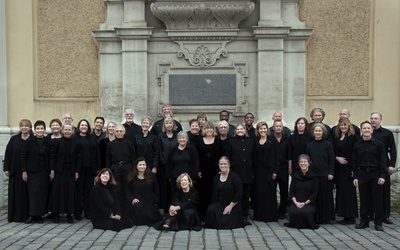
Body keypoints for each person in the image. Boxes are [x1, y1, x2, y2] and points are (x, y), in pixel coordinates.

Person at [353, 121, 387, 231]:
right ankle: (364, 221)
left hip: (375, 173)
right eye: (364, 128)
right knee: (364, 199)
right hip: (362, 174)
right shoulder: (357, 145)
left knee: (377, 200)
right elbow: (354, 162)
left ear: (372, 130)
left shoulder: (379, 144)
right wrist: (355, 177)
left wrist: (382, 175)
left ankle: (378, 223)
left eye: (368, 128)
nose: (367, 130)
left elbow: (383, 160)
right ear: (361, 130)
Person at [21, 120, 51, 223]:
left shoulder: (48, 141)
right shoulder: (30, 141)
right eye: (38, 128)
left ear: (44, 129)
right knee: (33, 193)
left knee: (42, 194)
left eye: (42, 128)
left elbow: (51, 157)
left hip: (44, 172)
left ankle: (39, 215)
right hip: (32, 172)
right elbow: (23, 156)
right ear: (35, 130)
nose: (40, 130)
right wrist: (24, 171)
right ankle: (32, 215)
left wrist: (51, 171)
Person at [3, 119, 33, 222]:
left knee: (26, 195)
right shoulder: (14, 139)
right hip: (15, 171)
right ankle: (14, 216)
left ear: (30, 128)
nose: (24, 127)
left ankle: (26, 215)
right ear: (20, 127)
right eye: (22, 126)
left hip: (29, 171)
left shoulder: (33, 139)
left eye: (26, 126)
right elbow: (8, 154)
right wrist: (6, 168)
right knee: (15, 194)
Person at [370, 112, 397, 224]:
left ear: (380, 120)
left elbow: (393, 150)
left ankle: (385, 216)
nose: (373, 120)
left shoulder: (387, 133)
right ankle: (371, 214)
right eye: (371, 118)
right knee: (371, 191)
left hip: (384, 166)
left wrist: (391, 165)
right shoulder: (367, 132)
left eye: (376, 118)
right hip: (371, 166)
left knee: (384, 192)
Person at [306, 123, 335, 224]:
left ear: (323, 133)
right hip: (314, 174)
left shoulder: (328, 144)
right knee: (315, 196)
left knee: (325, 197)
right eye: (316, 131)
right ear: (313, 133)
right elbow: (308, 160)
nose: (317, 133)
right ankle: (315, 216)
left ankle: (325, 217)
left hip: (325, 174)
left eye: (319, 131)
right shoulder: (309, 145)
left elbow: (331, 160)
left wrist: (331, 172)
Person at [226, 123, 255, 225]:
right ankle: (234, 215)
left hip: (247, 173)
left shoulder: (251, 142)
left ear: (245, 130)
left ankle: (244, 216)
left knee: (245, 196)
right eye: (238, 129)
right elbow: (228, 157)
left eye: (241, 129)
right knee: (235, 195)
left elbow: (254, 157)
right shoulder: (231, 142)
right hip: (235, 173)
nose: (240, 130)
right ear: (235, 131)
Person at [204, 156, 244, 229]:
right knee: (211, 209)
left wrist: (230, 206)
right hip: (220, 203)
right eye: (221, 164)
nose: (223, 166)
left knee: (227, 221)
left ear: (229, 165)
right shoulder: (216, 177)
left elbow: (239, 193)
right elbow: (214, 194)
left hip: (232, 204)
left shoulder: (235, 177)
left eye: (225, 164)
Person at [48, 124, 77, 223]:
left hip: (70, 171)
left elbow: (78, 158)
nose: (68, 131)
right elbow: (52, 157)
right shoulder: (57, 142)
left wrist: (76, 171)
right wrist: (52, 170)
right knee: (57, 192)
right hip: (59, 171)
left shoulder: (75, 143)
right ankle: (56, 214)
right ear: (62, 131)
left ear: (72, 131)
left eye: (69, 130)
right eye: (66, 130)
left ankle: (69, 214)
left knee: (70, 192)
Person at [73, 119, 100, 220]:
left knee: (88, 192)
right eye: (82, 125)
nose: (84, 127)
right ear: (78, 127)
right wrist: (75, 170)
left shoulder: (92, 138)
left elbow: (97, 154)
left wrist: (97, 168)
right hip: (79, 170)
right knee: (78, 191)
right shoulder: (74, 138)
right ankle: (78, 212)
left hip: (90, 169)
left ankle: (88, 212)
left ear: (88, 127)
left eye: (85, 125)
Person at [332, 118, 358, 225]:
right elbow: (333, 152)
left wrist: (353, 169)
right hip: (339, 170)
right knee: (341, 192)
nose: (343, 127)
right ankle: (343, 214)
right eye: (341, 125)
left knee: (349, 193)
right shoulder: (337, 137)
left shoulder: (353, 138)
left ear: (349, 126)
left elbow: (356, 154)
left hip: (349, 169)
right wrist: (337, 158)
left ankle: (351, 216)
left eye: (345, 125)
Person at [196, 121, 223, 220]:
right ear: (204, 130)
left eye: (211, 128)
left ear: (214, 130)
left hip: (215, 171)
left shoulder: (218, 141)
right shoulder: (199, 141)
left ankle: (213, 215)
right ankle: (203, 214)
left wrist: (221, 169)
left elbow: (222, 156)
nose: (209, 130)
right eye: (207, 128)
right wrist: (198, 170)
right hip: (203, 171)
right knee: (203, 192)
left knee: (214, 192)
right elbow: (197, 157)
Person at [284, 154, 319, 230]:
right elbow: (292, 191)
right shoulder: (295, 176)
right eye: (301, 162)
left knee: (305, 212)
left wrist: (305, 203)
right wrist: (296, 203)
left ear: (309, 163)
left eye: (305, 161)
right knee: (293, 212)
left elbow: (314, 193)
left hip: (309, 203)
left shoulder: (314, 177)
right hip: (296, 202)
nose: (303, 163)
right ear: (299, 164)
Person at [106, 124, 136, 212]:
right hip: (115, 168)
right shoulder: (110, 145)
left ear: (124, 132)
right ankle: (118, 210)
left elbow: (133, 158)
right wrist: (108, 171)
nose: (119, 133)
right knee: (117, 189)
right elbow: (108, 159)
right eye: (117, 131)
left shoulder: (129, 143)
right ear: (114, 133)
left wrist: (133, 170)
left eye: (121, 131)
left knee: (127, 188)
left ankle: (127, 210)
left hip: (127, 167)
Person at [253, 121, 278, 222]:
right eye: (260, 129)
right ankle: (259, 215)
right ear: (258, 130)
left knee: (269, 193)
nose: (262, 130)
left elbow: (276, 157)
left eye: (264, 128)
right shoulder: (255, 141)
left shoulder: (273, 141)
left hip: (269, 170)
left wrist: (275, 171)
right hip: (259, 170)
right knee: (259, 192)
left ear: (267, 130)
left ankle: (269, 216)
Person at [126, 158, 163, 225]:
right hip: (137, 202)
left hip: (149, 202)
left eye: (143, 165)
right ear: (136, 166)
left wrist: (155, 201)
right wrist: (132, 199)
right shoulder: (131, 177)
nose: (142, 166)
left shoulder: (151, 176)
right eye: (140, 165)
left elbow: (156, 190)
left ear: (146, 166)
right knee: (137, 208)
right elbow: (128, 190)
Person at [167, 131, 199, 195]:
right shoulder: (173, 149)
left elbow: (195, 162)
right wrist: (169, 176)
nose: (182, 140)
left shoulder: (191, 149)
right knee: (176, 196)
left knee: (188, 196)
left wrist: (193, 177)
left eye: (183, 138)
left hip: (188, 178)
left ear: (187, 139)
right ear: (177, 139)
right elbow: (168, 163)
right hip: (175, 178)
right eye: (180, 138)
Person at [157, 117, 178, 211]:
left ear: (173, 125)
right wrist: (163, 161)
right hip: (164, 166)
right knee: (164, 187)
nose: (168, 125)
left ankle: (174, 207)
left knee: (174, 186)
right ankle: (165, 208)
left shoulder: (177, 135)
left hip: (175, 165)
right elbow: (159, 150)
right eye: (167, 123)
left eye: (170, 123)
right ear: (164, 126)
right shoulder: (161, 136)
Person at [270, 120, 290, 219]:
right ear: (273, 128)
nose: (278, 128)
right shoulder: (269, 139)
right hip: (272, 168)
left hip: (283, 168)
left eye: (280, 126)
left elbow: (289, 154)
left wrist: (290, 166)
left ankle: (282, 210)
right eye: (276, 126)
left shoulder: (287, 139)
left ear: (282, 128)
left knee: (284, 190)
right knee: (271, 190)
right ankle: (272, 210)